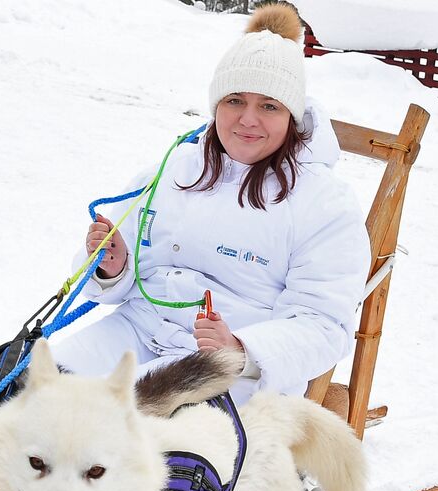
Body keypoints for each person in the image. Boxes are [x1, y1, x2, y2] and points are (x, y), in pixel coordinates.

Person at [54, 2, 370, 404]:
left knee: (106, 422)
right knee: (34, 390)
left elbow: (323, 325)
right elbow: (112, 278)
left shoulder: (324, 203)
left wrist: (241, 349)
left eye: (269, 105)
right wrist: (111, 267)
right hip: (139, 328)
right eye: (234, 100)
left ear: (291, 115)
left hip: (232, 369)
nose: (248, 119)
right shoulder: (174, 169)